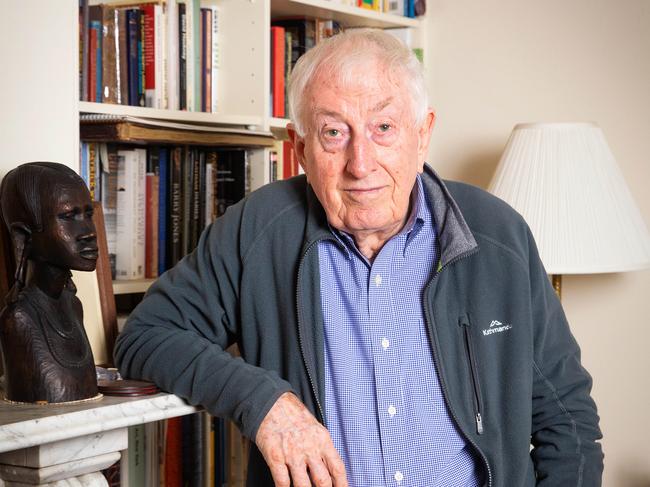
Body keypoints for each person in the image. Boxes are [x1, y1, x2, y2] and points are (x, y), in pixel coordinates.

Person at [115, 29, 603, 486]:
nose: (360, 163)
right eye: (334, 133)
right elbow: (146, 337)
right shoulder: (257, 230)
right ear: (299, 148)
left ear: (423, 133)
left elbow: (568, 419)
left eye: (384, 127)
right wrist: (266, 402)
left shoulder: (497, 235)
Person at [0, 162, 99, 404]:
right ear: (23, 237)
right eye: (68, 217)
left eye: (88, 215)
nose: (89, 232)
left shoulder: (74, 305)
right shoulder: (18, 319)